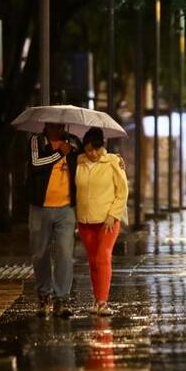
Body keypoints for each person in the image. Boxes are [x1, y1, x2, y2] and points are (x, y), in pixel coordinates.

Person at [28, 122, 81, 318]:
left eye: (60, 124)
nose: (57, 127)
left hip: (66, 209)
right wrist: (60, 153)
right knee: (39, 253)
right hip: (40, 207)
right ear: (46, 124)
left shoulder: (73, 141)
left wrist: (112, 160)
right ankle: (44, 295)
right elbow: (35, 163)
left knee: (65, 254)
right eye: (53, 124)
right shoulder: (37, 140)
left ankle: (62, 298)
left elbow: (87, 161)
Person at [75, 128, 128, 316]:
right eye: (89, 150)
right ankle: (97, 301)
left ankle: (104, 302)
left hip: (108, 220)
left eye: (96, 149)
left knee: (102, 257)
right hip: (85, 220)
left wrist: (113, 215)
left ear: (102, 146)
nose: (93, 153)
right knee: (92, 261)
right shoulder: (79, 162)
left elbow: (122, 192)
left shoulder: (112, 161)